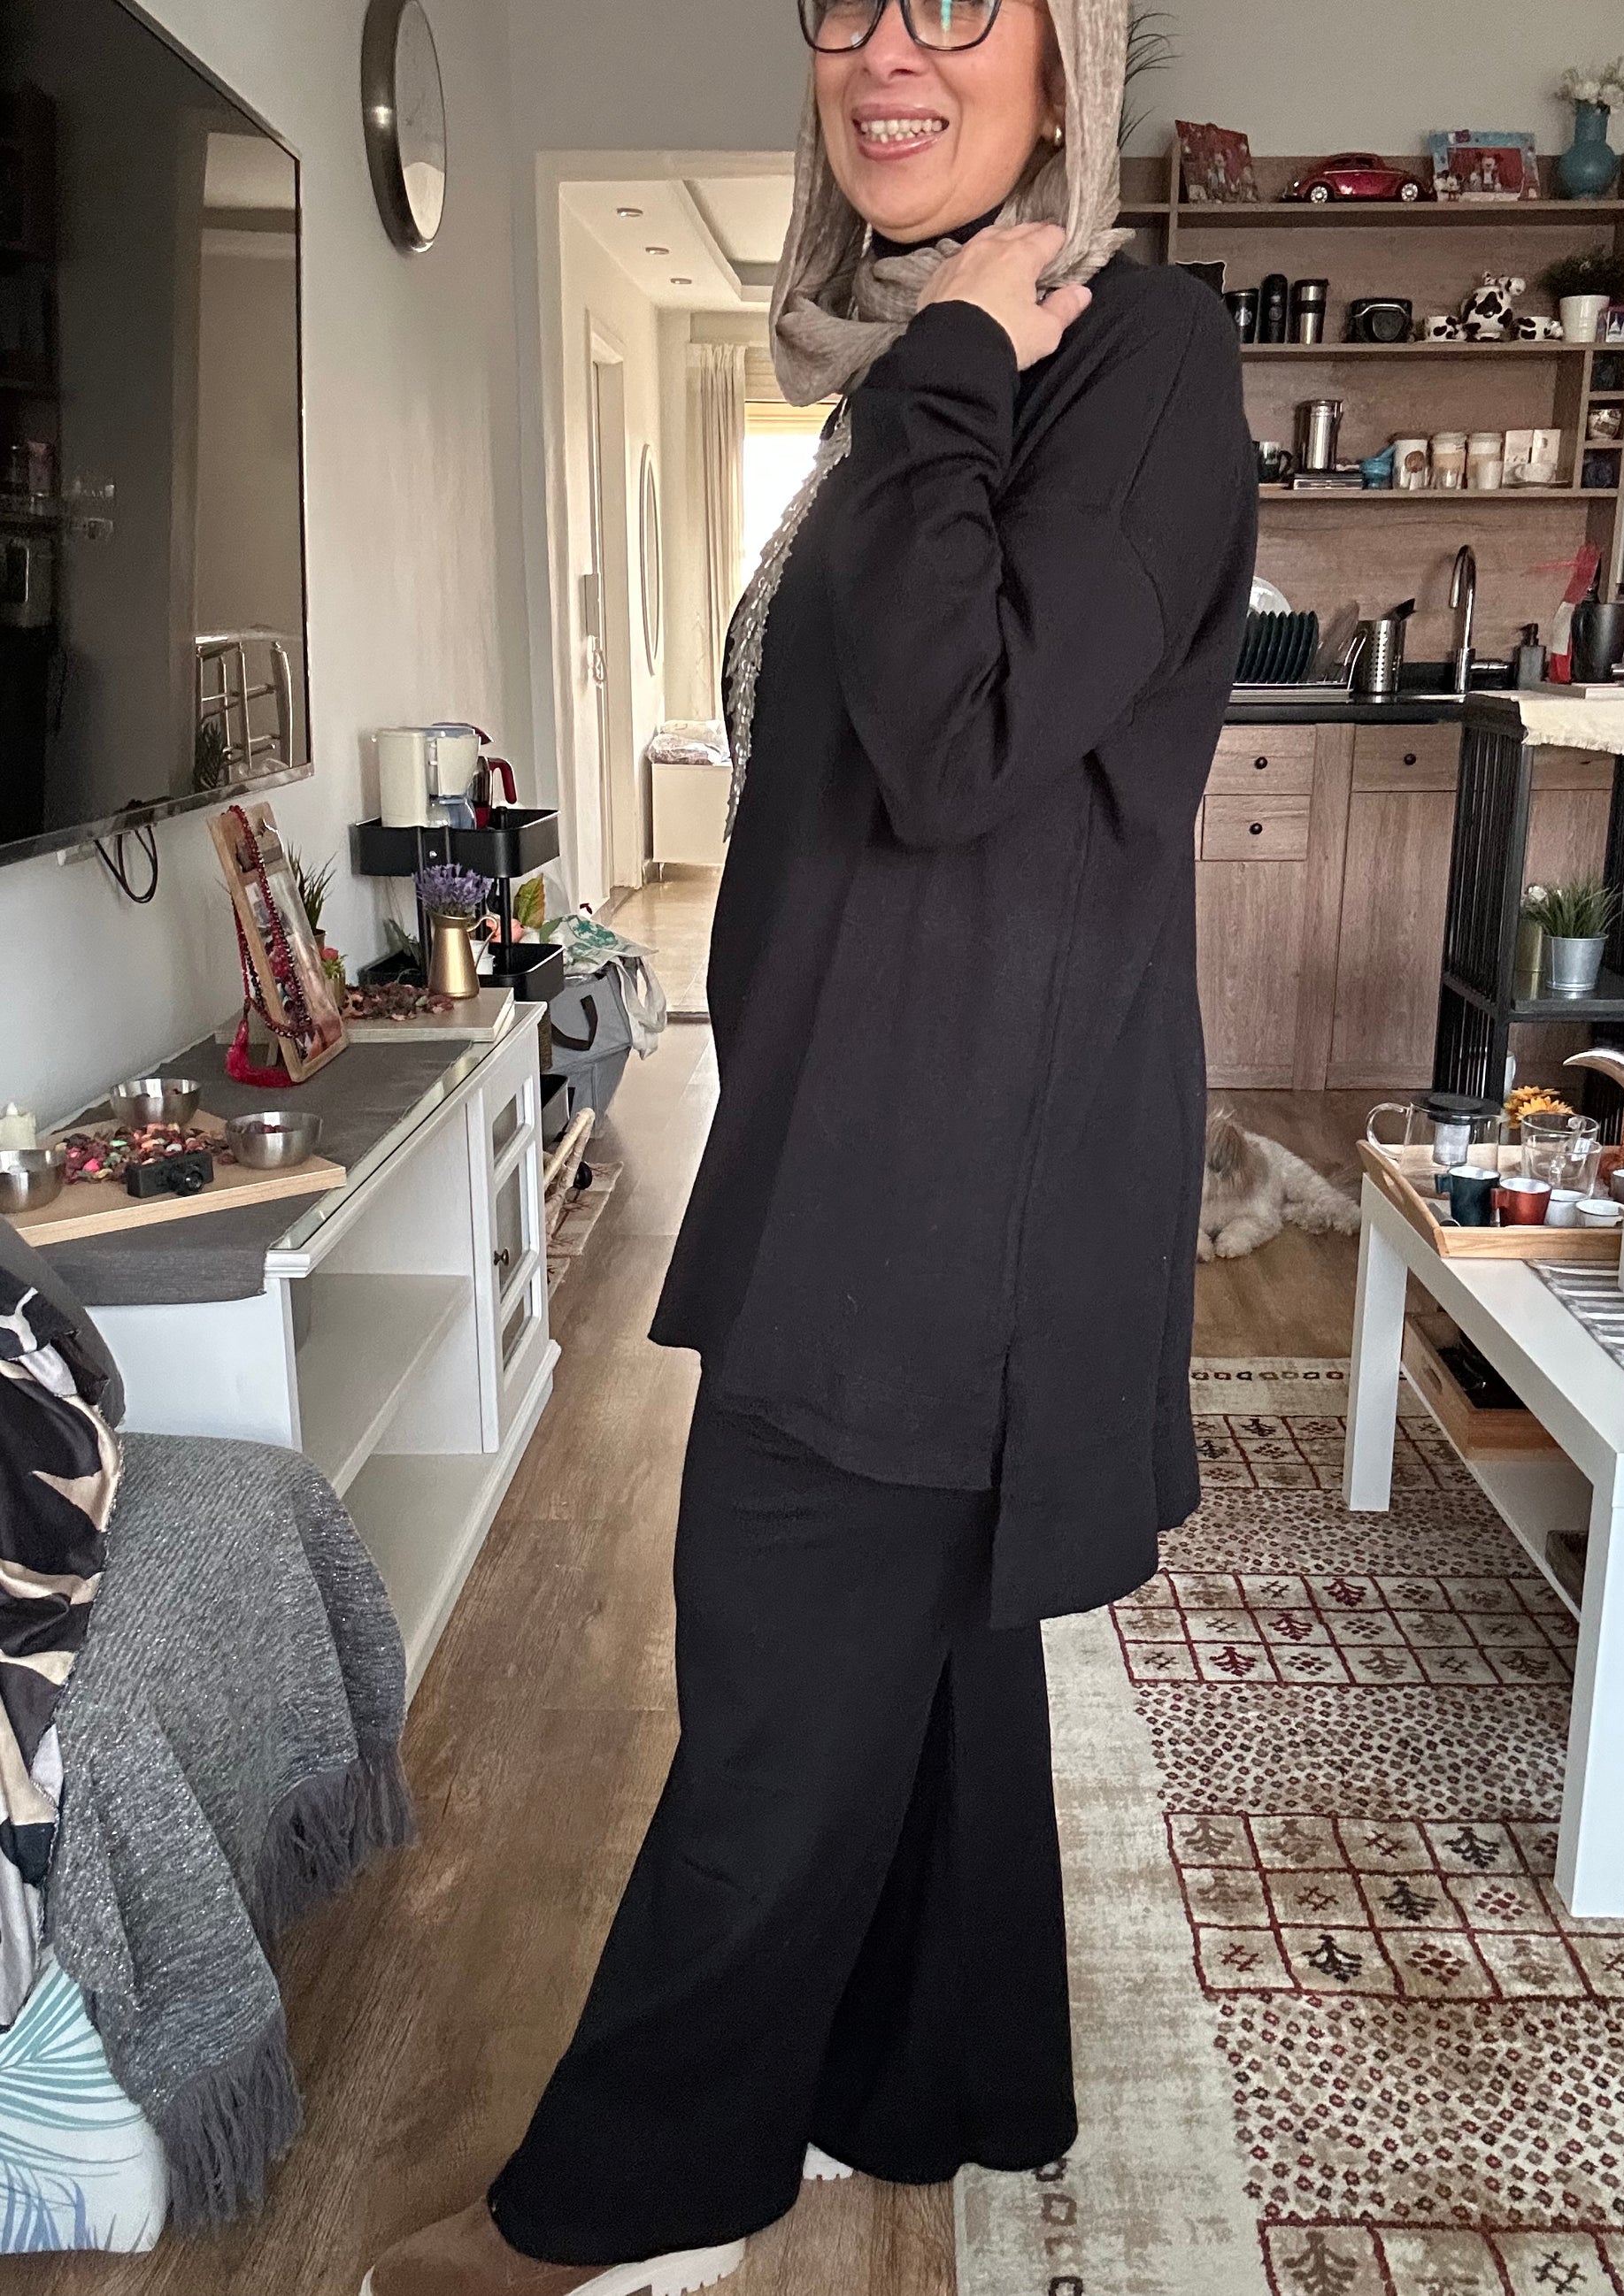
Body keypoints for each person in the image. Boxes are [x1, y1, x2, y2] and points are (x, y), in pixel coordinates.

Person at [364, 0, 1251, 2287]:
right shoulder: (918, 369)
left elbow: (959, 743)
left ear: (1070, 56)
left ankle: (625, 2199)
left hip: (942, 1199)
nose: (884, 48)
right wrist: (930, 369)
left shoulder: (1124, 354)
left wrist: (947, 364)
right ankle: (938, 2077)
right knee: (922, 1654)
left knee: (769, 1699)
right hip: (863, 1150)